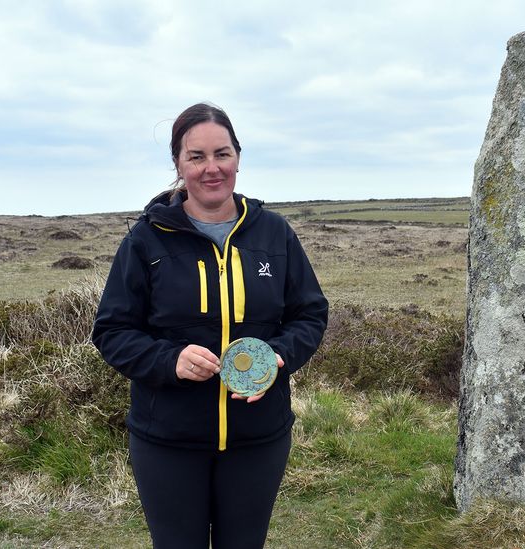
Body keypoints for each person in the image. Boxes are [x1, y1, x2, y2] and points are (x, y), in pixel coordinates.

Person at [92, 103, 329, 548]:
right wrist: (169, 359)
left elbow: (310, 314)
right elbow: (112, 330)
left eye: (222, 154)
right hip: (168, 441)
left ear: (238, 157)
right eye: (196, 157)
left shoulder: (274, 234)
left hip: (257, 437)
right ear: (179, 164)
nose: (211, 168)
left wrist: (279, 357)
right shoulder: (146, 240)